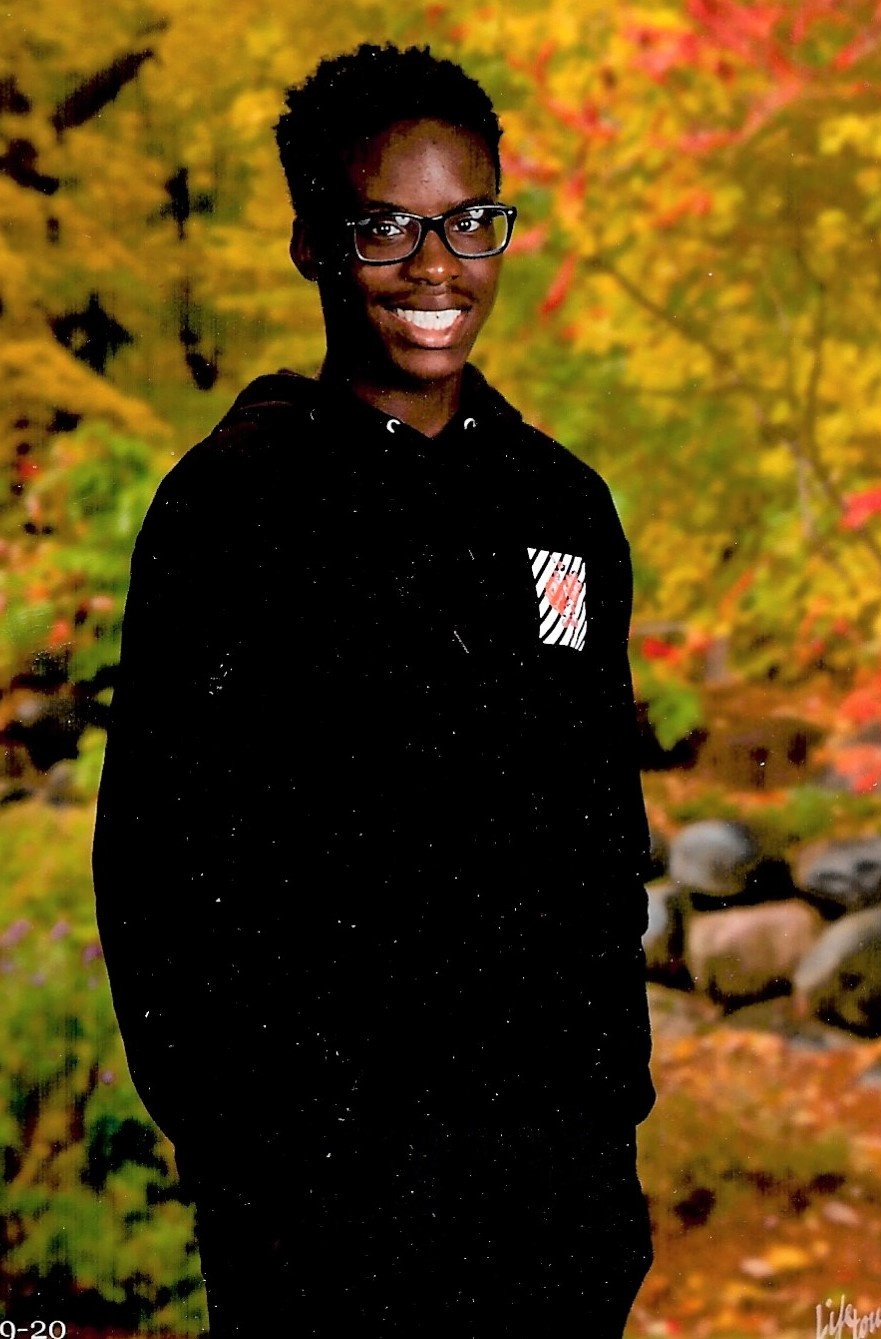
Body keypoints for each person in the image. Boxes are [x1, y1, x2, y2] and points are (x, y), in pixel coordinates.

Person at [92, 41, 655, 1339]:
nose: (436, 266)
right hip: (320, 1198)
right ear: (313, 243)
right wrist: (243, 1148)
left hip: (547, 1189)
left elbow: (596, 830)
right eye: (387, 225)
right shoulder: (235, 508)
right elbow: (155, 858)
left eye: (471, 221)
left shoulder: (558, 505)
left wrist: (607, 1126)